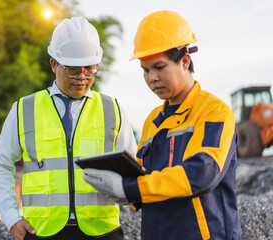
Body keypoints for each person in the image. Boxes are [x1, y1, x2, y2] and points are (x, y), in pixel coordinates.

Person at [83, 10, 242, 240]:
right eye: (145, 70)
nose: (151, 78)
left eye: (159, 67)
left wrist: (129, 188)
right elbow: (144, 178)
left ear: (185, 61)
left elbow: (202, 173)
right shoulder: (153, 120)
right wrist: (121, 190)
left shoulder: (214, 112)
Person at [0, 16, 137, 240]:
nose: (82, 78)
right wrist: (11, 218)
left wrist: (127, 193)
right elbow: (1, 163)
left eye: (90, 69)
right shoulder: (24, 109)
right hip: (42, 232)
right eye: (73, 70)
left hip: (102, 232)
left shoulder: (113, 109)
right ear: (54, 64)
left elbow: (132, 170)